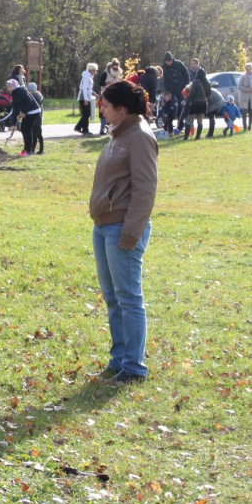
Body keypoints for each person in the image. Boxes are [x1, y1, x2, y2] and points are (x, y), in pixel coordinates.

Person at [90, 80, 158, 385]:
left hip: (122, 230)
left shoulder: (139, 137)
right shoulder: (118, 133)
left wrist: (130, 234)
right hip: (104, 227)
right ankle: (118, 360)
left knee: (129, 299)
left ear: (121, 108)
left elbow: (145, 190)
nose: (102, 110)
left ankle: (133, 367)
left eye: (105, 105)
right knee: (113, 299)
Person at [0, 79, 42, 156]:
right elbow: (15, 109)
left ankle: (28, 151)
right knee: (24, 129)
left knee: (27, 130)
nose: (8, 88)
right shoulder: (13, 93)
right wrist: (13, 124)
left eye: (10, 86)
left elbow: (29, 101)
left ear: (14, 86)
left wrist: (24, 112)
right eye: (7, 86)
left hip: (33, 112)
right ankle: (26, 149)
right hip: (27, 112)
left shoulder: (21, 91)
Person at [161, 52, 189, 133]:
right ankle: (168, 127)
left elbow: (186, 74)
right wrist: (164, 90)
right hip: (169, 90)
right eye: (167, 61)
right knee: (169, 108)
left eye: (169, 61)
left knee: (180, 107)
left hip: (180, 89)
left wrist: (185, 85)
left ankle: (180, 126)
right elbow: (161, 79)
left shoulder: (178, 64)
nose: (168, 63)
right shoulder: (163, 67)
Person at [183, 67, 211, 141]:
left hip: (196, 103)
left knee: (189, 120)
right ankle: (198, 136)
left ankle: (186, 137)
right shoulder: (207, 83)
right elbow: (209, 94)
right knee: (200, 121)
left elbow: (192, 94)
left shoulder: (196, 82)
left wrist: (187, 103)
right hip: (204, 103)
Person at [74, 63, 98, 135]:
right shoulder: (86, 77)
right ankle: (85, 130)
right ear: (90, 70)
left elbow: (89, 89)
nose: (95, 72)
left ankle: (78, 127)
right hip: (84, 98)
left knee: (87, 114)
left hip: (87, 97)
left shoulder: (89, 77)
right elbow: (84, 89)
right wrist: (86, 99)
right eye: (94, 70)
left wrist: (94, 93)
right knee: (86, 114)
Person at [237, 62, 252, 131]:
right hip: (244, 96)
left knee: (251, 112)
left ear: (251, 69)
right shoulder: (243, 76)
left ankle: (250, 126)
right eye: (246, 69)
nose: (247, 70)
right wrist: (247, 89)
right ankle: (244, 126)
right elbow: (239, 86)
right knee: (244, 111)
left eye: (248, 69)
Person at [27, 81, 45, 154]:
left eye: (28, 90)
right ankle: (41, 149)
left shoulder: (34, 97)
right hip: (39, 118)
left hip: (36, 118)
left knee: (34, 134)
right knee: (39, 134)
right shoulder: (39, 95)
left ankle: (32, 150)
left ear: (31, 90)